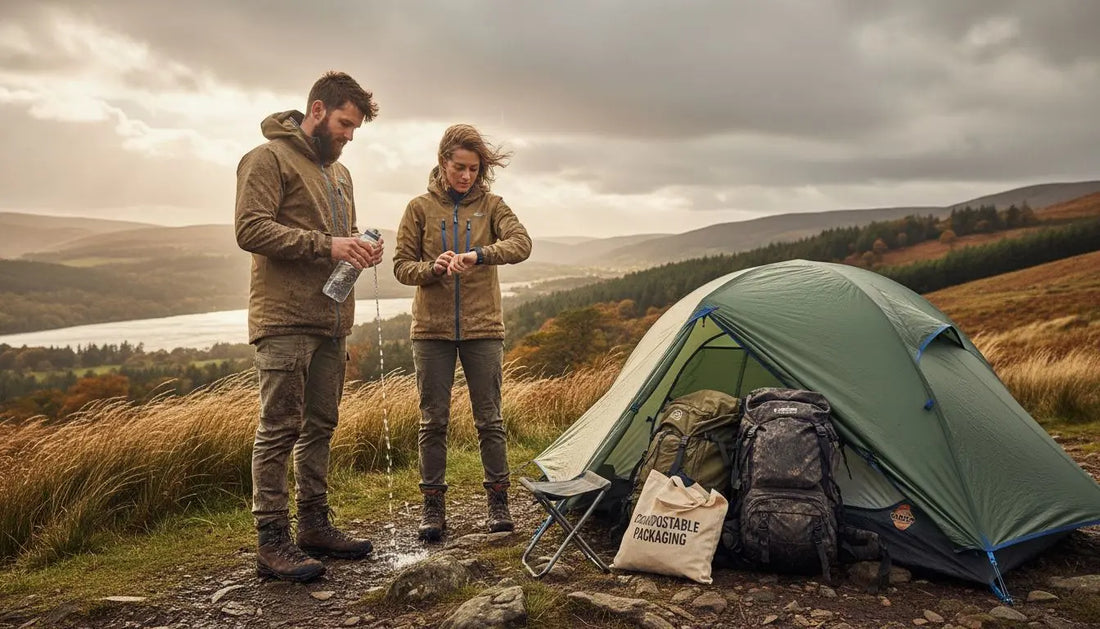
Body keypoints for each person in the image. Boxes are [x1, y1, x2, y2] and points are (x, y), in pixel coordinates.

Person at [235, 71, 383, 582]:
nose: (348, 135)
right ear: (317, 110)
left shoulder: (340, 175)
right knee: (280, 428)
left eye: (355, 129)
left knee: (321, 424)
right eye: (344, 123)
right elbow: (250, 228)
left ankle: (314, 525)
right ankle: (271, 541)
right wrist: (329, 244)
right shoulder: (267, 158)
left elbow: (339, 242)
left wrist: (359, 248)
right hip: (283, 319)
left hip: (333, 319)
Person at [393, 124, 532, 541]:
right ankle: (432, 509)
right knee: (432, 421)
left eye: (474, 169)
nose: (466, 176)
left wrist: (478, 255)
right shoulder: (418, 208)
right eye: (459, 167)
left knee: (489, 419)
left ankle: (498, 504)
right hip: (431, 330)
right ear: (442, 163)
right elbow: (401, 266)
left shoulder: (492, 206)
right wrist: (433, 268)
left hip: (483, 328)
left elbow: (522, 243)